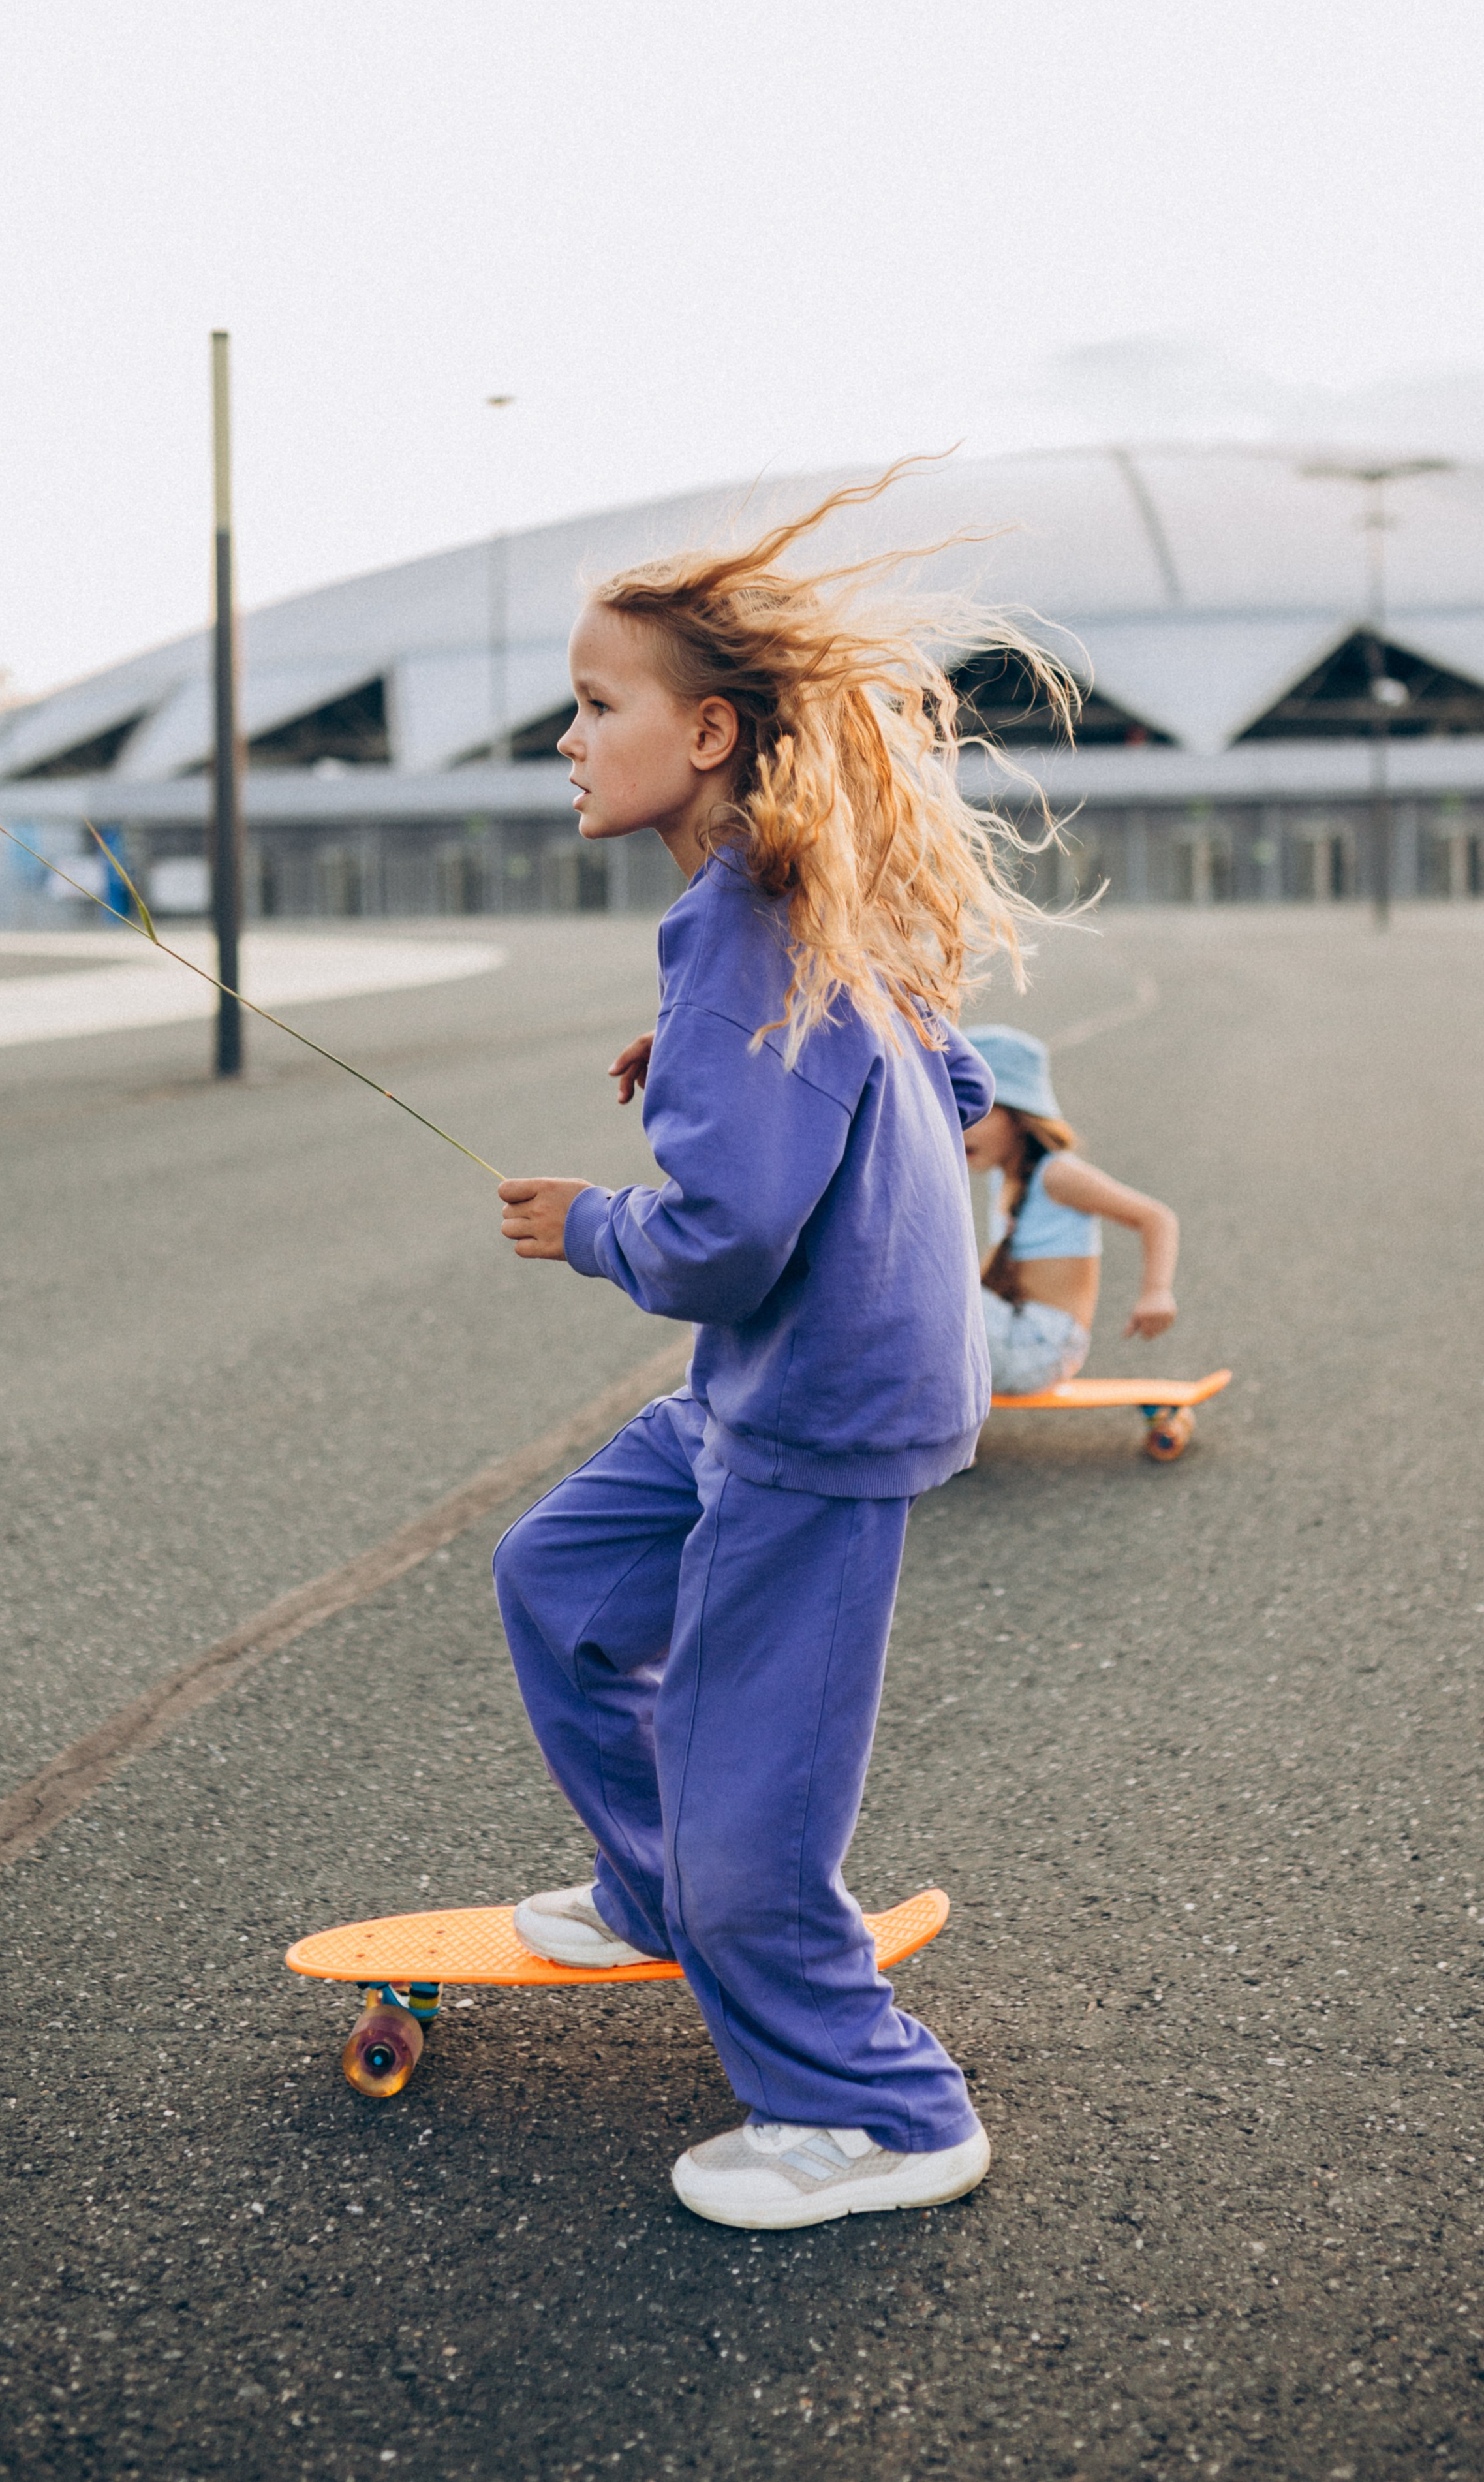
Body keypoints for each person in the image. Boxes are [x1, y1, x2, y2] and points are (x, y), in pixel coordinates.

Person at [490, 467, 1070, 2232]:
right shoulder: (768, 903)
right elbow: (944, 1071)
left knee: (757, 1811)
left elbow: (730, 1244)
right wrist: (705, 1073)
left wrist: (591, 1218)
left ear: (712, 729)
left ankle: (880, 2111)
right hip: (772, 1397)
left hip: (815, 1418)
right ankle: (662, 1892)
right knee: (561, 1582)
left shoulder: (746, 924)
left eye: (599, 708)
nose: (572, 742)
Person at [961, 1024, 1179, 1394]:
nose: (962, 1126)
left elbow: (1156, 1217)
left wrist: (1156, 1292)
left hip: (1041, 1349)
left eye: (978, 1113)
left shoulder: (1057, 1175)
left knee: (920, 1286)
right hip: (1017, 1335)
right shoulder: (1004, 1176)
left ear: (1021, 1116)